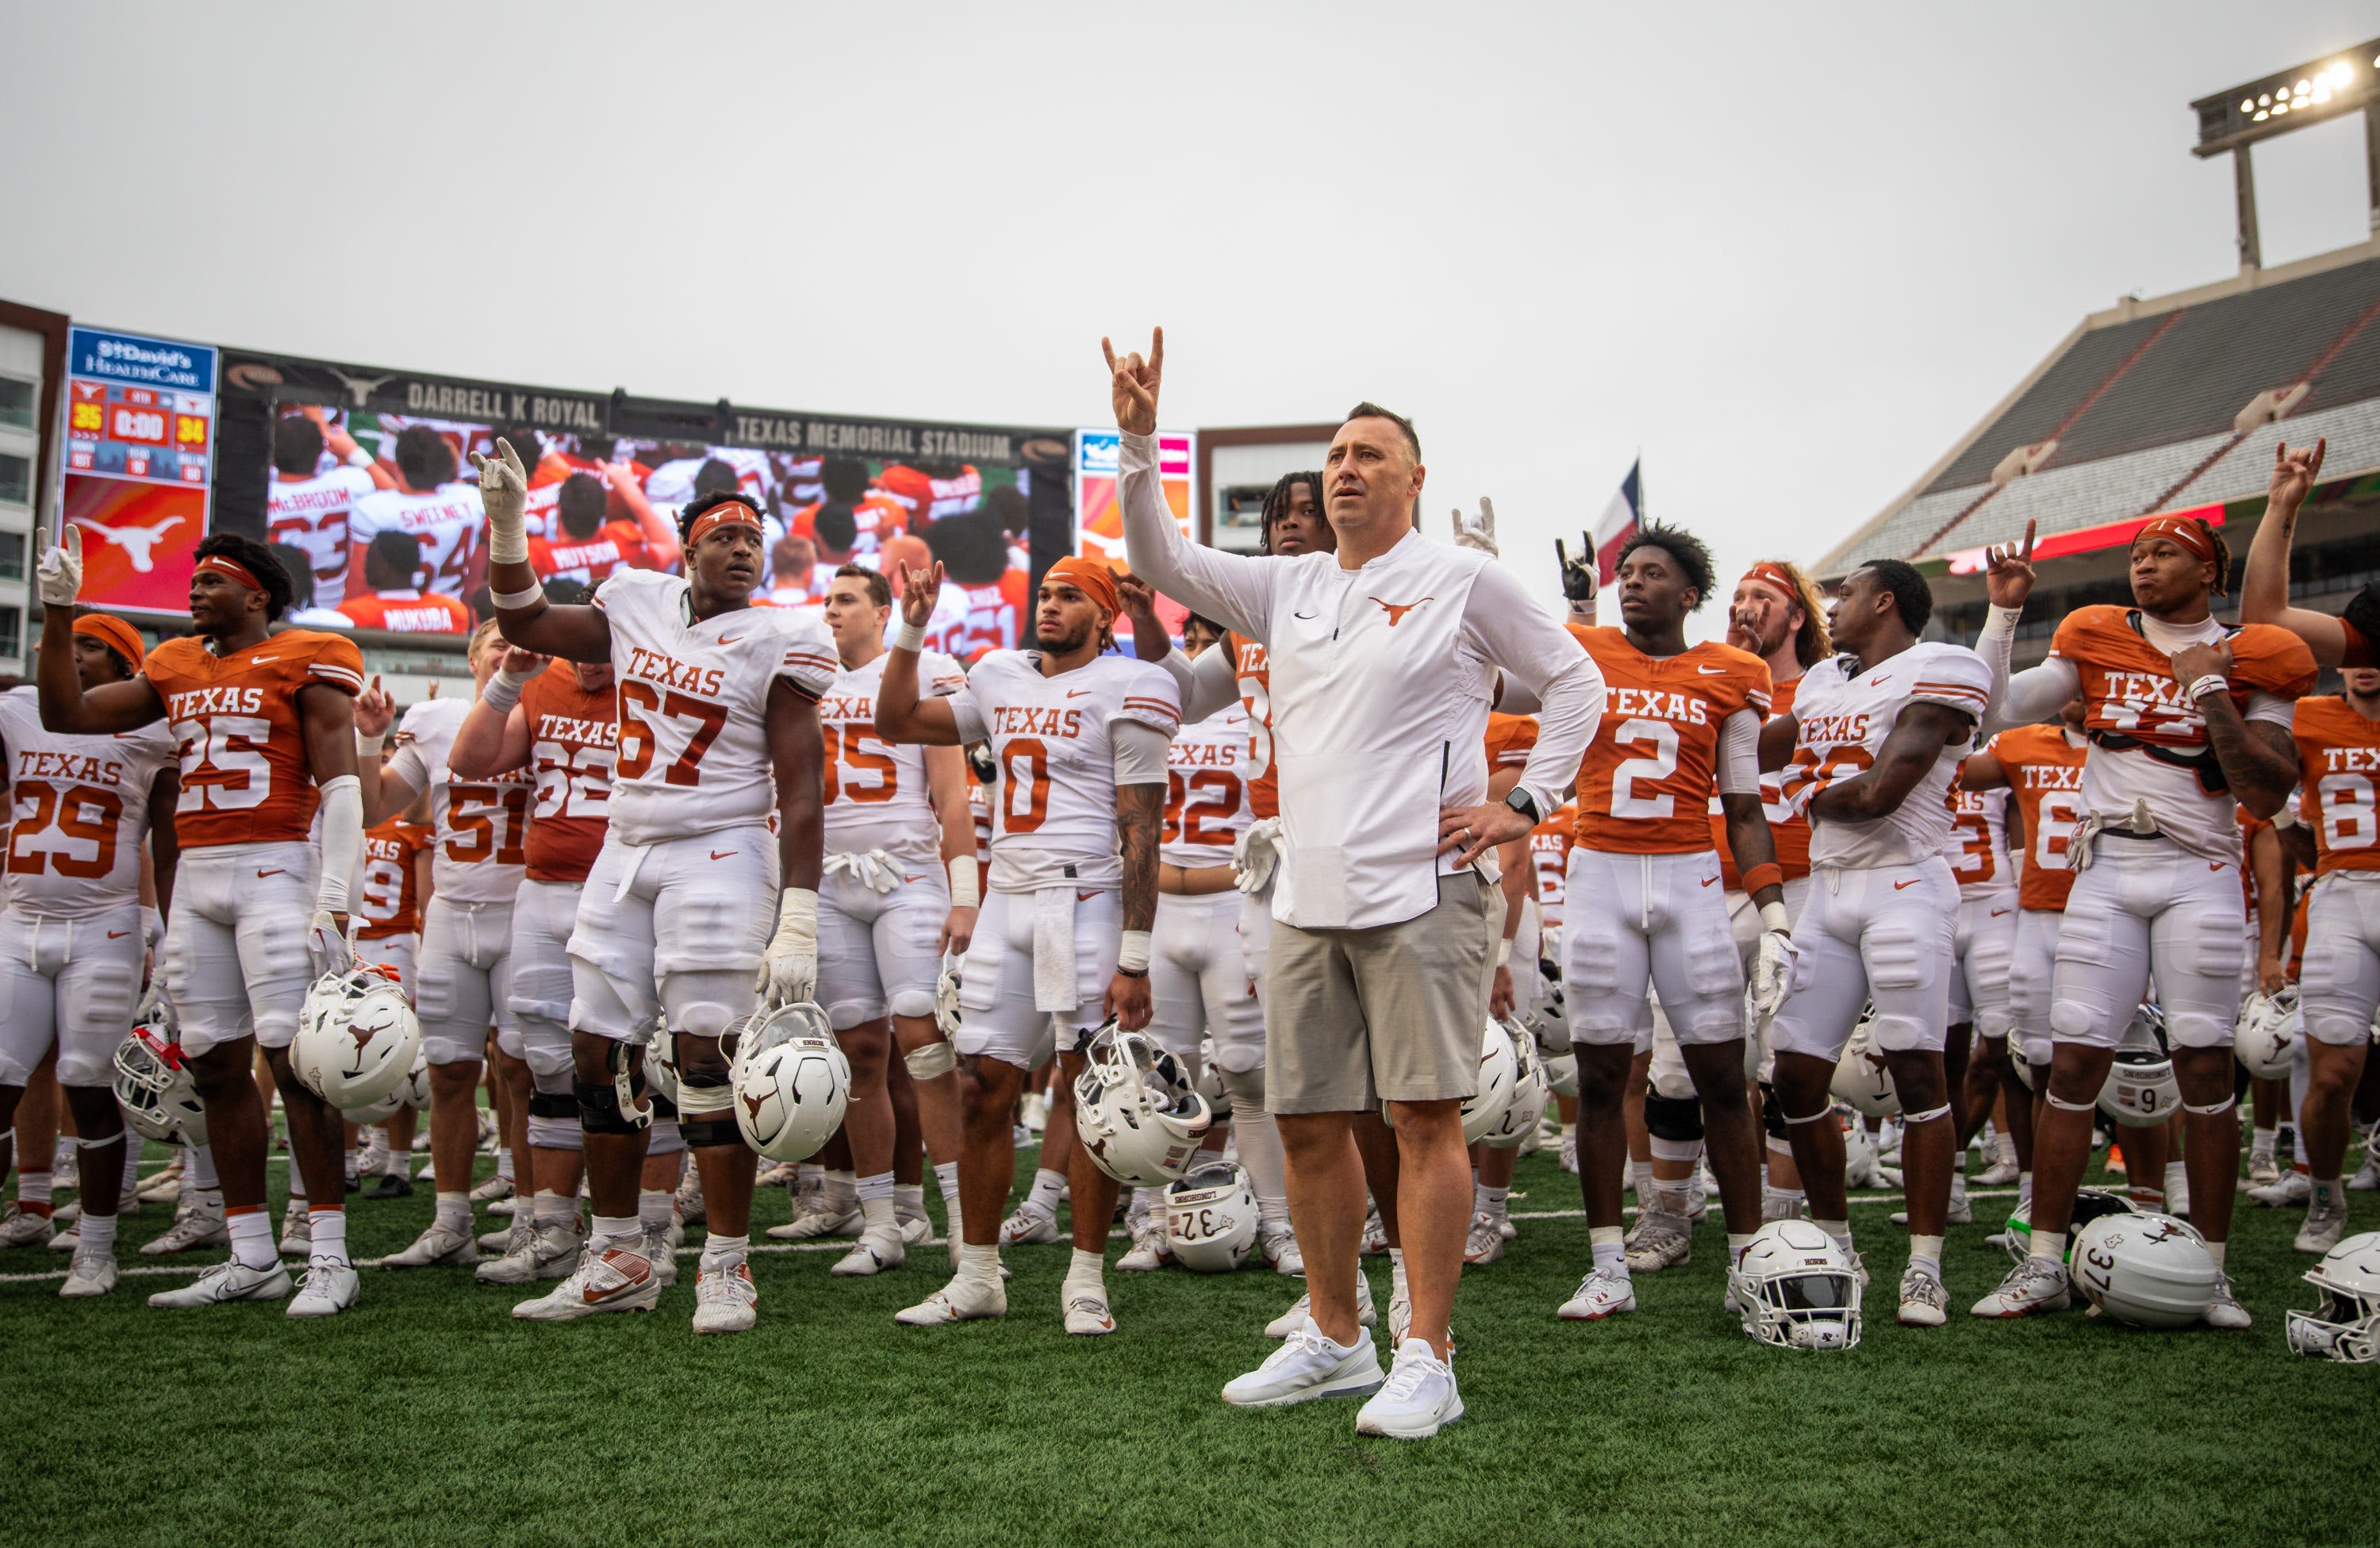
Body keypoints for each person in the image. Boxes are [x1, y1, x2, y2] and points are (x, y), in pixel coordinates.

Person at [1110, 329, 1602, 1439]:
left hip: (1425, 888)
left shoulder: (1461, 577)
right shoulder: (1284, 583)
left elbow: (1575, 678)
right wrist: (1139, 441)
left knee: (1426, 1117)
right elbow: (1162, 558)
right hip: (1302, 892)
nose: (1346, 467)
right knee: (1308, 1119)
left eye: (1372, 453)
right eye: (1336, 451)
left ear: (1413, 479)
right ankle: (1337, 1335)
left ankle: (1430, 1351)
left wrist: (1525, 805)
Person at [471, 441, 832, 1334]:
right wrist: (509, 526)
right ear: (687, 551)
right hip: (626, 847)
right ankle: (621, 1252)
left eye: (754, 536)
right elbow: (525, 620)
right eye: (724, 536)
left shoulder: (779, 636)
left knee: (707, 1059)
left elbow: (802, 786)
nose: (744, 549)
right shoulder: (633, 603)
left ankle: (725, 1263)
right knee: (595, 1051)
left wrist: (799, 915)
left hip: (718, 851)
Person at [1970, 515, 2314, 1327]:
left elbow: (2265, 792)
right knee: (2073, 1066)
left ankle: (2211, 1269)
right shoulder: (2095, 632)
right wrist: (2004, 615)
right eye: (2136, 553)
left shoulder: (2258, 652)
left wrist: (2206, 689)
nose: (2144, 565)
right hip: (2107, 870)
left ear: (2208, 571)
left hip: (2199, 872)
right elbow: (1993, 713)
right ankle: (2045, 1259)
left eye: (2163, 552)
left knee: (2203, 1071)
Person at [33, 527, 368, 1316]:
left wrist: (334, 896)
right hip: (202, 881)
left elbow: (344, 787)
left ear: (256, 594)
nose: (194, 592)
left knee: (296, 1065)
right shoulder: (175, 663)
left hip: (275, 872)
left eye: (211, 581)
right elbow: (67, 713)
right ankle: (251, 1254)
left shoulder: (307, 657)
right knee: (216, 1065)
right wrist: (56, 613)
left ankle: (329, 1254)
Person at [873, 555, 1178, 1334]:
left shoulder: (1130, 682)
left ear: (1103, 613)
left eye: (1069, 595)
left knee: (1089, 1089)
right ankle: (978, 1272)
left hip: (1087, 898)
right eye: (1044, 591)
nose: (1048, 604)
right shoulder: (1001, 672)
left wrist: (1134, 955)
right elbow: (898, 720)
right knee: (981, 1084)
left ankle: (1084, 1278)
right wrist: (911, 624)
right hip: (1010, 896)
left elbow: (1142, 825)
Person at [1553, 524, 1785, 1322]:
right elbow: (1534, 664)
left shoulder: (1736, 672)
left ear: (1691, 594)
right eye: (1628, 572)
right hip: (1598, 874)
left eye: (1653, 573)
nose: (1634, 582)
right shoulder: (1584, 652)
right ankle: (1607, 1264)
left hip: (1690, 877)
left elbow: (1746, 804)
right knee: (1599, 1078)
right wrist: (1576, 604)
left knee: (1725, 1076)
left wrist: (1774, 908)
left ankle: (1749, 1257)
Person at [1758, 557, 1994, 1328]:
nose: (1835, 605)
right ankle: (1835, 1243)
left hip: (1904, 885)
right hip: (1828, 890)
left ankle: (1924, 1268)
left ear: (1886, 600)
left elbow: (1880, 791)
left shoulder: (1942, 668)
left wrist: (1803, 793)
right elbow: (1764, 747)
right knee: (1795, 1076)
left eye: (1849, 592)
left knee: (1921, 1074)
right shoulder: (1826, 681)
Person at [796, 565, 977, 1274]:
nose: (832, 612)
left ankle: (968, 1221)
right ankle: (880, 1225)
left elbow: (951, 792)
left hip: (905, 875)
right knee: (857, 1055)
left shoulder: (923, 668)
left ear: (880, 611)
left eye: (846, 600)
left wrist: (964, 892)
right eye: (827, 601)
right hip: (833, 881)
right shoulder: (805, 678)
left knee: (926, 1048)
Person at [0, 611, 178, 1295]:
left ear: (126, 670)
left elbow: (168, 840)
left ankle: (96, 1248)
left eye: (92, 648)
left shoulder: (148, 733)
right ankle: (33, 1205)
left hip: (102, 929)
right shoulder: (18, 709)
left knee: (89, 1087)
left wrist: (167, 926)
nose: (72, 656)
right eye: (66, 643)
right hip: (19, 925)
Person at [445, 636, 625, 1285]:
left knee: (637, 1063)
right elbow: (470, 762)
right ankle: (552, 1227)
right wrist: (505, 684)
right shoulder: (544, 681)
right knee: (545, 1060)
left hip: (623, 889)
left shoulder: (649, 682)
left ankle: (649, 1227)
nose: (591, 661)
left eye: (604, 649)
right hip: (542, 886)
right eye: (580, 648)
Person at [352, 624, 531, 1268]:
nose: (508, 656)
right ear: (472, 657)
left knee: (522, 1070)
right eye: (496, 647)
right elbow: (376, 804)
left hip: (524, 911)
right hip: (453, 913)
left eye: (519, 646)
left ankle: (534, 1218)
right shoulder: (432, 718)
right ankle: (451, 1218)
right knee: (451, 1070)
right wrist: (371, 736)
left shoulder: (544, 713)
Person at [1125, 612, 1285, 1271]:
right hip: (1162, 908)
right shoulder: (1150, 709)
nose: (1193, 648)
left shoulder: (1259, 714)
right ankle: (1159, 1220)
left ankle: (1278, 1221)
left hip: (1231, 902)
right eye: (1186, 635)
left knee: (1249, 1069)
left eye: (1206, 637)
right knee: (1165, 1073)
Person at [1709, 562, 1831, 1221]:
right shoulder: (1714, 681)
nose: (1745, 607)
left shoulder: (1825, 686)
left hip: (1799, 882)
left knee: (1785, 1060)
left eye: (1763, 597)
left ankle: (1786, 1213)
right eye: (1737, 597)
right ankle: (1717, 1205)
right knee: (1704, 1058)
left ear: (1796, 616)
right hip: (1710, 885)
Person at [1954, 696, 2088, 1221]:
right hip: (1954, 909)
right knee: (1964, 1056)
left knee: (2018, 1054)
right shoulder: (2012, 746)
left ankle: (2039, 1188)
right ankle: (1967, 1186)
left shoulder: (2009, 750)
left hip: (2009, 909)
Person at [2275, 664, 2380, 1251]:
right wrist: (2288, 824)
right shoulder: (2308, 715)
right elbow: (2264, 785)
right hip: (2342, 894)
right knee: (2332, 1069)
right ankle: (2323, 1192)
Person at [347, 424, 487, 603]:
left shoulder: (375, 510)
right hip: (449, 614)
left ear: (398, 469)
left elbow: (357, 591)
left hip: (392, 619)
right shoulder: (472, 499)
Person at [267, 409, 391, 611]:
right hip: (336, 604)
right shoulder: (351, 483)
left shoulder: (265, 495)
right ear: (320, 454)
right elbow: (397, 496)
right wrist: (353, 452)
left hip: (282, 607)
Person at [526, 468, 680, 587]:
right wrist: (628, 487)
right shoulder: (623, 543)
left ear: (559, 511)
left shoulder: (537, 557)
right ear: (603, 513)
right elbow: (669, 548)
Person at [339, 532, 474, 633]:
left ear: (383, 569)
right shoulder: (453, 610)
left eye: (370, 559)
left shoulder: (352, 614)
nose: (365, 566)